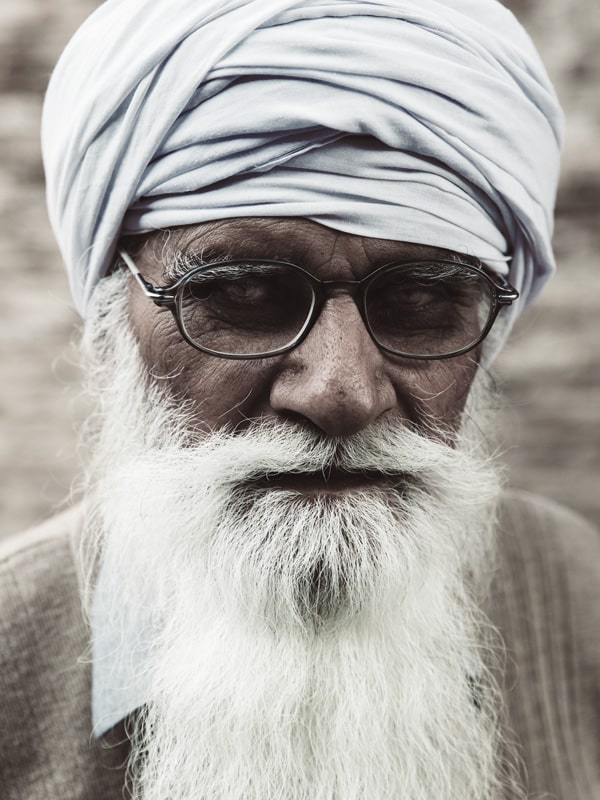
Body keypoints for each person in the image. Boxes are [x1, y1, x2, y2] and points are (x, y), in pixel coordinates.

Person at [1, 0, 598, 798]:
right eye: (243, 294)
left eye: (422, 301)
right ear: (114, 312)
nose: (342, 392)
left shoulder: (574, 589)